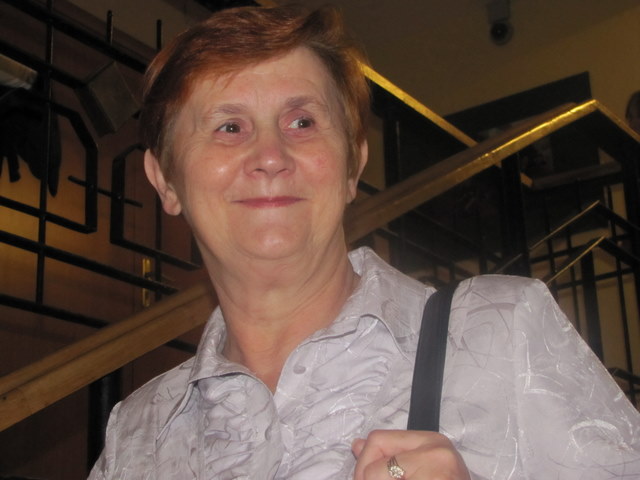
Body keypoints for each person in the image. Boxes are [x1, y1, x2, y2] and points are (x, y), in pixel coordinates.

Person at [89, 4, 640, 479]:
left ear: (354, 164)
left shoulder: (502, 328)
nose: (271, 157)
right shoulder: (137, 433)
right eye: (229, 127)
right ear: (165, 181)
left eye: (302, 122)